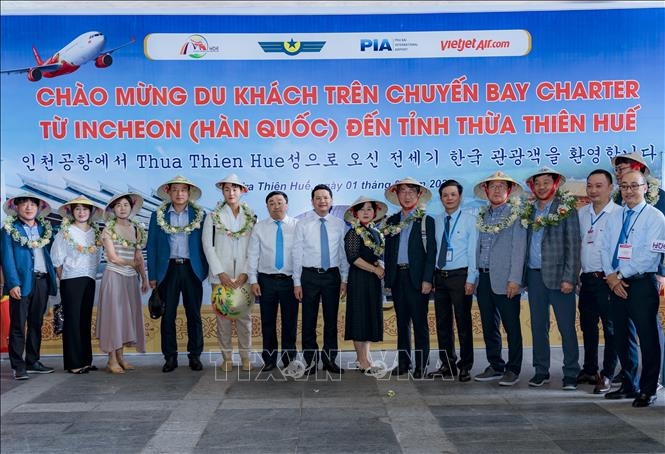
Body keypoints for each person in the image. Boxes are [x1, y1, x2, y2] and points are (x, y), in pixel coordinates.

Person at [600, 170, 665, 407]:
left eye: (634, 186)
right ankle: (629, 385)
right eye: (624, 186)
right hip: (615, 284)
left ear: (645, 188)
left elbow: (650, 256)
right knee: (621, 336)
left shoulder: (655, 217)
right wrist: (610, 277)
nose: (629, 191)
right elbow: (605, 247)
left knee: (648, 339)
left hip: (641, 284)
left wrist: (619, 275)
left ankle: (649, 389)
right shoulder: (615, 216)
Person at [523, 167, 581, 390]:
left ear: (555, 184)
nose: (542, 186)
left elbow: (573, 247)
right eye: (537, 183)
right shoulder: (528, 211)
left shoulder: (566, 210)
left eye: (546, 182)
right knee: (538, 326)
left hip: (560, 279)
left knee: (566, 327)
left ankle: (571, 373)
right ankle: (541, 371)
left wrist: (570, 278)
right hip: (534, 276)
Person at [147, 176, 208, 373]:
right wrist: (153, 275)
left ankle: (195, 356)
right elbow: (152, 246)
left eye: (183, 190)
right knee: (168, 315)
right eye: (175, 190)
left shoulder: (200, 215)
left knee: (194, 315)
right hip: (168, 270)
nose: (179, 194)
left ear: (189, 193)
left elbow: (207, 244)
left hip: (192, 270)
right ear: (168, 192)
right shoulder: (158, 215)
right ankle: (170, 357)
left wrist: (204, 270)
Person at [472, 172, 526, 386]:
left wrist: (515, 279)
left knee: (511, 326)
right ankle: (495, 365)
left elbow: (519, 250)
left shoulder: (517, 215)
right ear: (486, 190)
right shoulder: (482, 215)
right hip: (483, 278)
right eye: (492, 186)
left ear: (509, 190)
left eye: (501, 186)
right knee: (489, 325)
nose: (496, 190)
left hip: (506, 280)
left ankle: (513, 369)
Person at [382, 177, 436, 379]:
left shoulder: (426, 221)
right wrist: (388, 281)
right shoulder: (391, 222)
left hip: (417, 279)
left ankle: (422, 364)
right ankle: (403, 362)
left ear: (418, 194)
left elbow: (431, 253)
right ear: (396, 195)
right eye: (402, 191)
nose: (406, 195)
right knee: (402, 322)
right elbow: (387, 252)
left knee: (420, 323)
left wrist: (427, 279)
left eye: (410, 191)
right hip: (398, 278)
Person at [293, 184, 349, 375]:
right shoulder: (303, 224)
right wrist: (297, 282)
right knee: (308, 320)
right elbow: (296, 254)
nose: (322, 201)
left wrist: (344, 279)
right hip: (308, 276)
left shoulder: (339, 224)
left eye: (325, 197)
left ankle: (329, 359)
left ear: (331, 201)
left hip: (332, 277)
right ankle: (310, 361)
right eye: (318, 198)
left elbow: (342, 254)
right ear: (312, 201)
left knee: (331, 320)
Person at [203, 174, 257, 372]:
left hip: (243, 276)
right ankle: (226, 358)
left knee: (244, 319)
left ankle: (246, 357)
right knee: (223, 319)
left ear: (242, 191)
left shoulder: (250, 216)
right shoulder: (212, 216)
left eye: (235, 189)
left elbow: (253, 247)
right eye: (227, 189)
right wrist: (220, 273)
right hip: (221, 277)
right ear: (222, 192)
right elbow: (207, 246)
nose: (231, 193)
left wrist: (245, 273)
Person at [1, 193, 57, 380]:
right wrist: (12, 283)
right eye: (24, 203)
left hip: (42, 280)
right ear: (16, 207)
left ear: (39, 208)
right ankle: (18, 366)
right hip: (21, 283)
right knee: (18, 325)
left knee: (36, 323)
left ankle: (33, 361)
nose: (28, 207)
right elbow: (6, 258)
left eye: (33, 204)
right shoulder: (9, 229)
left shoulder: (45, 228)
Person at [427, 180, 478, 382]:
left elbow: (473, 251)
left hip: (461, 277)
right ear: (441, 199)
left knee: (463, 323)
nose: (449, 198)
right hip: (441, 277)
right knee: (442, 324)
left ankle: (465, 366)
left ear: (460, 197)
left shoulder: (469, 220)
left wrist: (471, 279)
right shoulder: (436, 220)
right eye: (445, 195)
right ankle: (447, 365)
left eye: (453, 195)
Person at [576, 169, 619, 393]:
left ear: (610, 188)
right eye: (590, 185)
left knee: (611, 328)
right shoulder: (582, 213)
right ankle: (590, 368)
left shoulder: (619, 214)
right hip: (586, 280)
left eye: (598, 186)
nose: (593, 190)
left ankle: (608, 374)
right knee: (588, 326)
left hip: (609, 280)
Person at [51, 195, 104, 374]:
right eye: (78, 209)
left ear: (91, 212)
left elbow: (97, 257)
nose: (81, 212)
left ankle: (85, 360)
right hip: (71, 279)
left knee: (84, 319)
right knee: (72, 320)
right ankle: (74, 363)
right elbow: (57, 259)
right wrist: (64, 279)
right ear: (72, 212)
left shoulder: (95, 232)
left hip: (89, 278)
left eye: (85, 209)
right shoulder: (66, 231)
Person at [247, 190, 299, 372]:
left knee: (289, 322)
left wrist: (298, 282)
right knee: (267, 321)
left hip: (290, 280)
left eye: (279, 202)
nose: (276, 205)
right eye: (271, 203)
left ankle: (289, 358)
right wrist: (253, 280)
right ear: (267, 206)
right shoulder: (259, 227)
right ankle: (269, 359)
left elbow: (302, 254)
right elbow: (253, 255)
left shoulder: (297, 225)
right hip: (266, 281)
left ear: (287, 204)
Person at [97, 193, 148, 373]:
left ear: (131, 207)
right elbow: (112, 257)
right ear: (113, 209)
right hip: (114, 277)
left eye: (125, 204)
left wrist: (144, 278)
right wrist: (132, 265)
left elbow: (138, 256)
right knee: (114, 318)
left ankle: (121, 357)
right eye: (118, 205)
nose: (122, 208)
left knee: (126, 318)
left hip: (130, 278)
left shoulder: (136, 229)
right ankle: (111, 360)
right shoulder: (108, 229)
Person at [343, 196, 388, 374]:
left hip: (373, 281)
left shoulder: (376, 233)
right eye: (362, 209)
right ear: (355, 213)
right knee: (359, 318)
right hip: (360, 279)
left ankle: (365, 357)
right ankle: (362, 360)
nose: (366, 212)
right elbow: (353, 257)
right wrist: (374, 269)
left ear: (375, 212)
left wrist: (381, 266)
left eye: (369, 209)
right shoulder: (353, 232)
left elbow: (378, 255)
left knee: (369, 317)